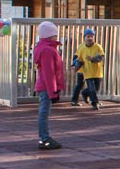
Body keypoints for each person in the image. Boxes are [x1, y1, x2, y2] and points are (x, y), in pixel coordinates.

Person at [32, 20, 65, 151]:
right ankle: (44, 138)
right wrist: (53, 92)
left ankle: (44, 137)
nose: (56, 36)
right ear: (50, 35)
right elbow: (49, 73)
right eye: (55, 34)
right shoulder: (47, 50)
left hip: (44, 86)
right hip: (46, 87)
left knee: (44, 112)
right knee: (44, 112)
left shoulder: (44, 47)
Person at [71, 28, 105, 110]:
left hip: (97, 72)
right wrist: (75, 66)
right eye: (88, 36)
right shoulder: (82, 47)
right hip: (86, 71)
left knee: (96, 88)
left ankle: (85, 93)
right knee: (88, 87)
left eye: (91, 36)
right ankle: (94, 103)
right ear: (84, 37)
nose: (90, 38)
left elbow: (101, 57)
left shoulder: (98, 46)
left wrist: (92, 59)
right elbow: (78, 59)